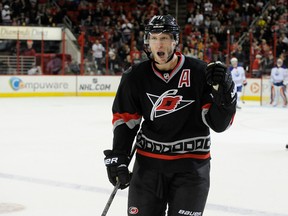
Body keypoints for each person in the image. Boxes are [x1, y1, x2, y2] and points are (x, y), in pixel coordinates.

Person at [104, 15, 237, 216]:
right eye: (154, 38)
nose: (159, 43)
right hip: (148, 167)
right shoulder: (135, 76)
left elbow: (219, 125)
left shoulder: (200, 72)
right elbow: (125, 120)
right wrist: (119, 156)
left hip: (191, 169)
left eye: (165, 37)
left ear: (175, 40)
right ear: (147, 42)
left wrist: (225, 95)